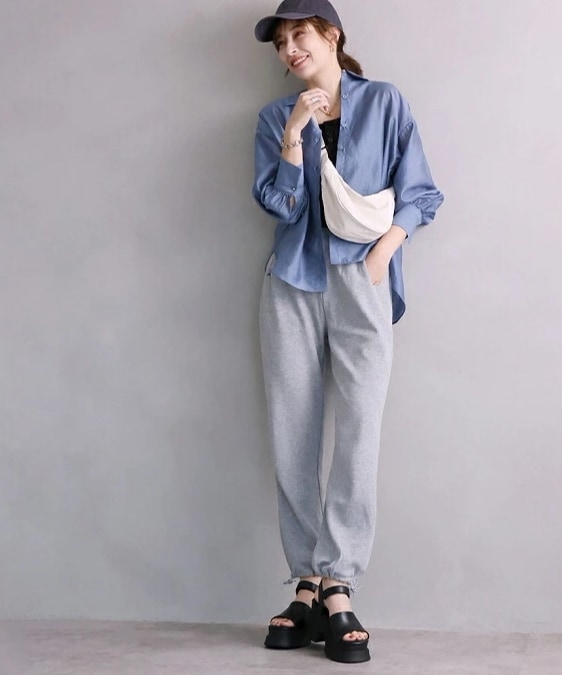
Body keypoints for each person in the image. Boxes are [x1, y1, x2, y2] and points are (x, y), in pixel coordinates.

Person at [252, 0, 444, 664]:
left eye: (299, 34)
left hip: (362, 281)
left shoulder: (385, 102)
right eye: (281, 42)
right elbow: (279, 205)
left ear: (331, 35)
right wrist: (293, 135)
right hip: (293, 283)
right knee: (292, 431)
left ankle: (340, 583)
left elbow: (422, 192)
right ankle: (306, 583)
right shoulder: (275, 116)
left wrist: (383, 253)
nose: (289, 49)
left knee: (360, 430)